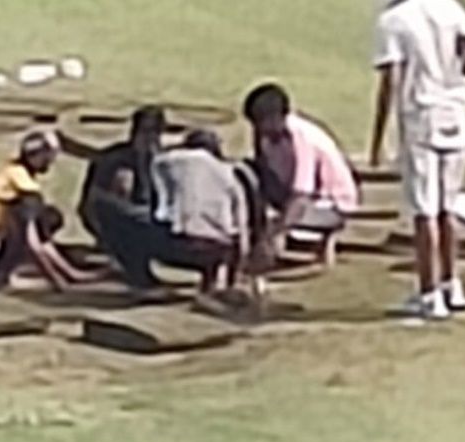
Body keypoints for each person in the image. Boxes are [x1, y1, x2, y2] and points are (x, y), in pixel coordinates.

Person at [367, 0, 465, 321]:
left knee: (424, 209)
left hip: (421, 113)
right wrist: (455, 77)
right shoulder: (450, 7)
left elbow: (391, 81)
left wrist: (378, 138)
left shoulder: (394, 21)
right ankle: (452, 284)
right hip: (458, 108)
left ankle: (429, 293)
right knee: (447, 205)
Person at [242, 83, 359, 269]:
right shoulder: (263, 135)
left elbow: (301, 195)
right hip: (289, 192)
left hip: (331, 205)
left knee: (283, 217)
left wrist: (274, 232)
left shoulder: (302, 138)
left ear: (278, 117)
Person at [121, 129, 252, 293]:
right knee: (219, 236)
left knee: (130, 223)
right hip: (215, 250)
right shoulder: (230, 173)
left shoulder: (166, 162)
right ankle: (215, 285)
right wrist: (236, 272)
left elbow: (153, 202)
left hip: (173, 245)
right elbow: (242, 230)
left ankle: (141, 281)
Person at [0, 131, 93, 290]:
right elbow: (32, 244)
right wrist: (58, 283)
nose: (50, 164)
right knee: (34, 222)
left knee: (49, 217)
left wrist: (71, 274)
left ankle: (0, 274)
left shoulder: (14, 172)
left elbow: (41, 239)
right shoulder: (22, 187)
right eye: (48, 158)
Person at [79, 104, 168, 264]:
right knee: (124, 179)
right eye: (145, 131)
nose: (150, 137)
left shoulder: (164, 161)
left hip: (147, 219)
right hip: (115, 217)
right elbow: (91, 203)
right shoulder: (114, 158)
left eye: (155, 132)